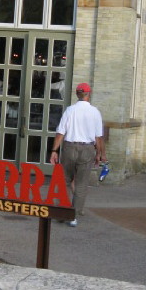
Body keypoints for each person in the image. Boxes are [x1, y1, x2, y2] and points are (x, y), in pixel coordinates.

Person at [49, 82, 105, 227]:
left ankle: (62, 212)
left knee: (64, 181)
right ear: (89, 94)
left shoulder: (70, 110)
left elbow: (60, 132)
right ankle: (73, 216)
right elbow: (99, 137)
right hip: (87, 149)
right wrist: (99, 154)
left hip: (69, 147)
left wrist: (54, 151)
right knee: (81, 183)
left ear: (76, 94)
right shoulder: (95, 112)